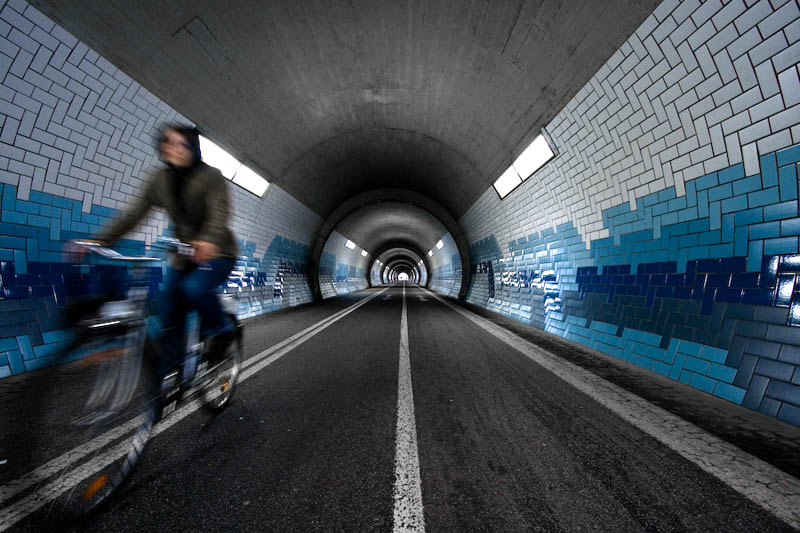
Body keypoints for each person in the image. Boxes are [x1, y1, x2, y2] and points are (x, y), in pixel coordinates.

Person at [83, 124, 239, 388]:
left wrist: (208, 241)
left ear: (193, 147)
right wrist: (99, 240)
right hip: (183, 256)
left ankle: (221, 331)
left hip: (218, 253)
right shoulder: (160, 180)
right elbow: (134, 214)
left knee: (193, 288)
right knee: (170, 308)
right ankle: (171, 373)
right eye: (168, 143)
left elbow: (219, 212)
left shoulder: (212, 176)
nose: (174, 149)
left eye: (182, 144)